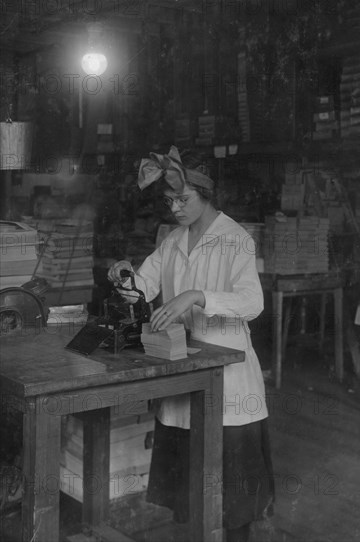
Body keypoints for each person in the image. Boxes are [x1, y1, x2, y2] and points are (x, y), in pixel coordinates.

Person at [108, 146, 274, 542]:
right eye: (169, 201)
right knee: (193, 490)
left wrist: (198, 295)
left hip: (228, 383)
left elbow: (253, 303)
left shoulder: (235, 238)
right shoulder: (172, 240)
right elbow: (142, 289)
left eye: (183, 200)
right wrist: (124, 276)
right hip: (182, 372)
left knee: (231, 499)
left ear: (206, 193)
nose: (176, 208)